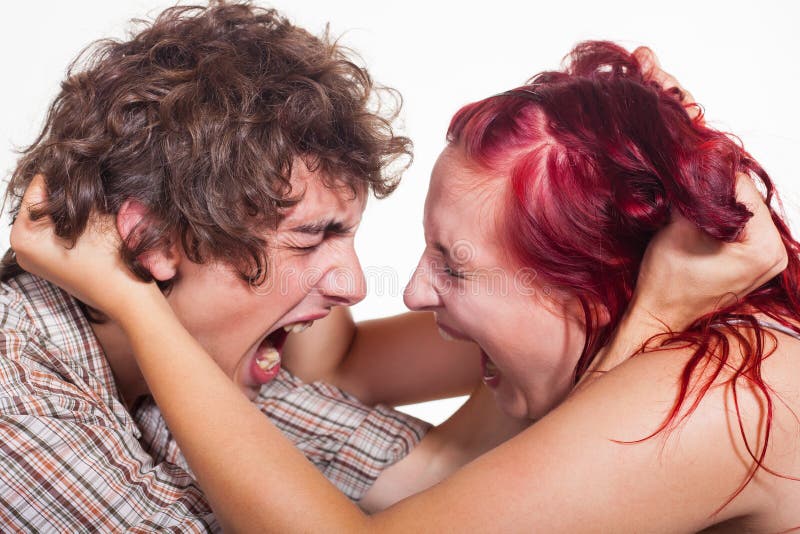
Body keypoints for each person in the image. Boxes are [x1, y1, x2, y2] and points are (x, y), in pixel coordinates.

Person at [14, 40, 799, 531]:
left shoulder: (718, 395)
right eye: (315, 236)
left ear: (596, 281)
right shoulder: (68, 388)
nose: (397, 289)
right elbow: (361, 402)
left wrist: (133, 304)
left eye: (453, 266)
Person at [0, 3, 458, 530]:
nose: (353, 287)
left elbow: (436, 473)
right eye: (310, 239)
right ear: (152, 239)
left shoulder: (202, 357)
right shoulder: (15, 394)